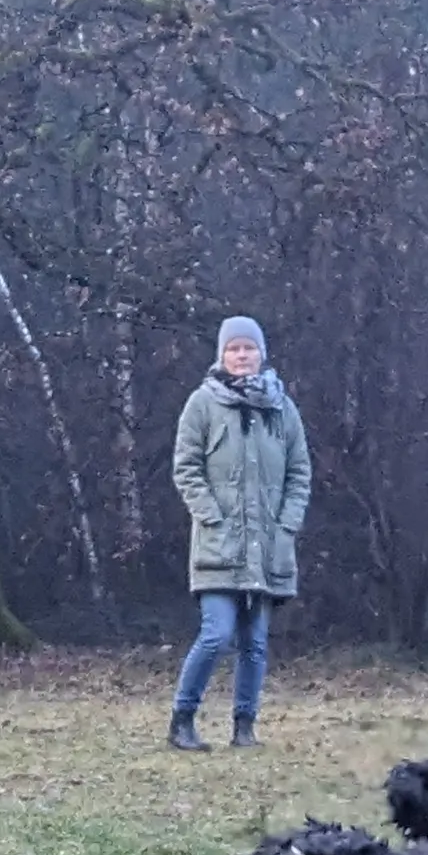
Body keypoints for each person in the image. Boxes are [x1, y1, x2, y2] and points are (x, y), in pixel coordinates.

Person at [167, 315, 308, 751]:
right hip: (217, 545)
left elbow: (299, 473)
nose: (242, 355)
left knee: (256, 643)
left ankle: (244, 727)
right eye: (234, 348)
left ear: (261, 353)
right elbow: (186, 468)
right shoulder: (202, 404)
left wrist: (287, 525)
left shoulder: (283, 409)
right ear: (222, 355)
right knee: (216, 634)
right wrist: (211, 516)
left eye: (249, 348)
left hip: (267, 548)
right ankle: (182, 721)